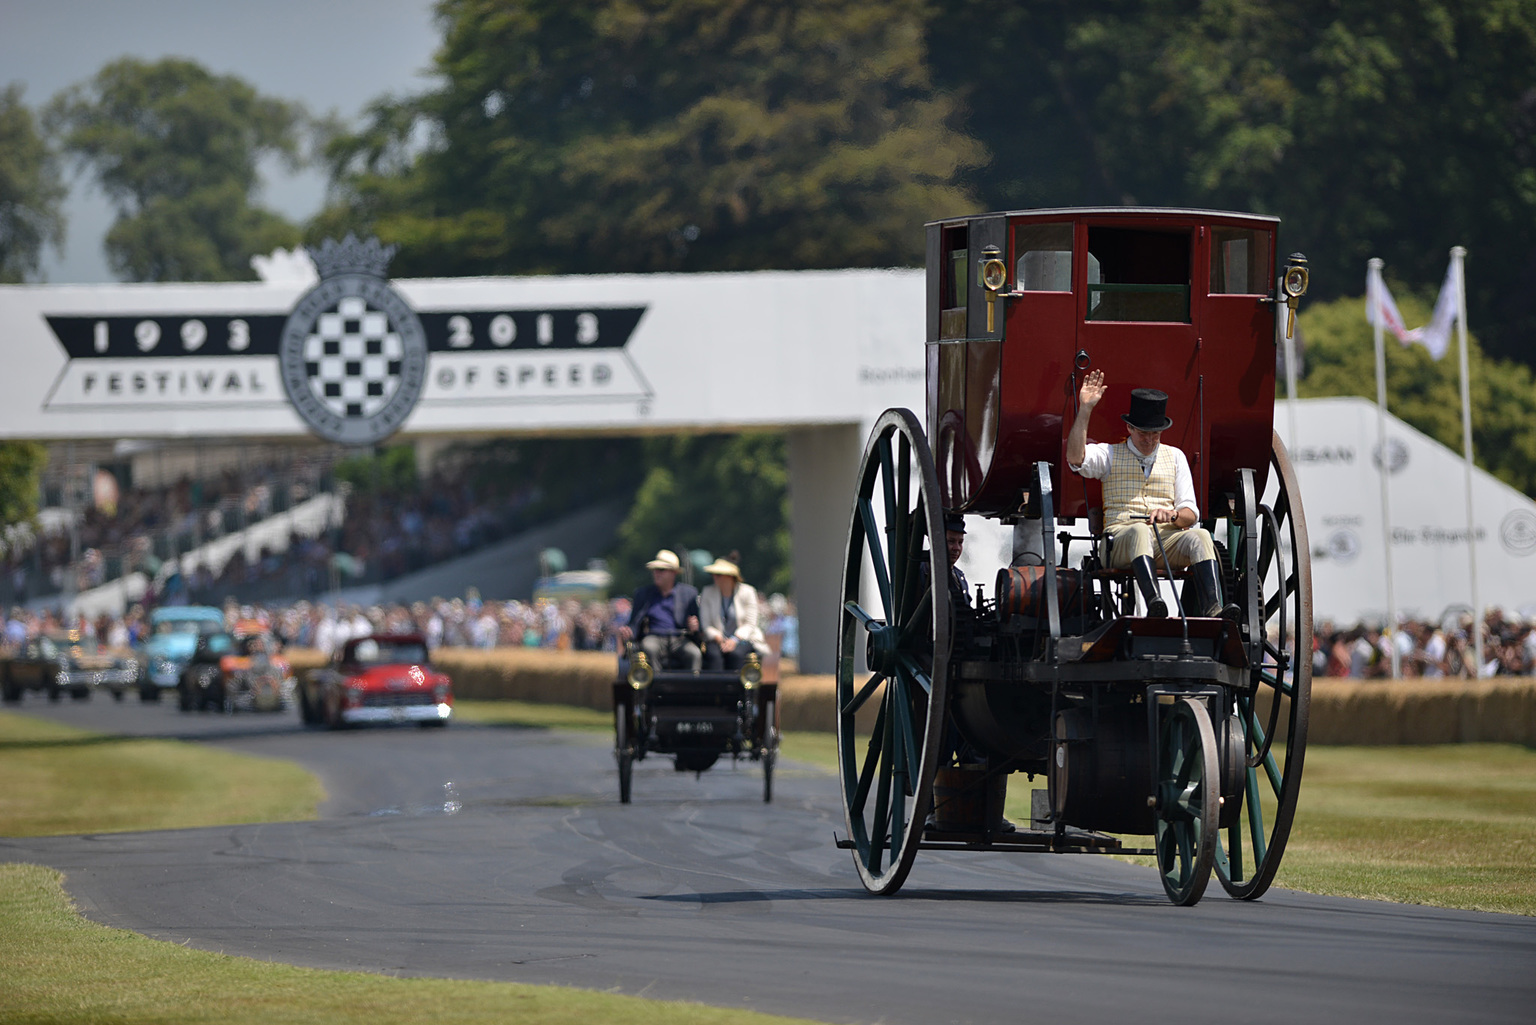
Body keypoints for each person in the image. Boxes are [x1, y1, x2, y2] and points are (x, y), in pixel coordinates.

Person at [1066, 369, 1234, 619]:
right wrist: (1086, 409)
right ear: (1129, 428)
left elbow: (1191, 514)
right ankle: (1155, 602)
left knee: (1200, 536)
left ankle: (1213, 607)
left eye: (1155, 433)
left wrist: (1173, 514)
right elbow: (1075, 458)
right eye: (1143, 432)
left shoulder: (1175, 457)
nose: (1149, 439)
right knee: (1139, 530)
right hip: (1119, 540)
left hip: (1166, 541)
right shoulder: (1109, 454)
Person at [616, 549, 701, 671]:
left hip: (680, 638)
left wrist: (695, 627)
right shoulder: (643, 594)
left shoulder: (689, 593)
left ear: (673, 573)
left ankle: (692, 687)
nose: (656, 573)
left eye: (661, 570)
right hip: (654, 636)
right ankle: (656, 685)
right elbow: (634, 623)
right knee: (649, 647)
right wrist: (628, 631)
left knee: (694, 653)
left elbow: (697, 624)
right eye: (654, 570)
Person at [698, 558, 768, 671]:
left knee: (736, 655)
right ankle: (716, 687)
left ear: (730, 577)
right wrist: (718, 638)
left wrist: (734, 639)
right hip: (716, 639)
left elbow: (750, 624)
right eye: (714, 574)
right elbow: (706, 624)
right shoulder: (708, 592)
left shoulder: (748, 592)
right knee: (714, 656)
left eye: (719, 574)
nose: (714, 577)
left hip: (743, 639)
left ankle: (737, 687)